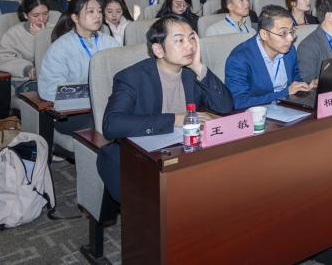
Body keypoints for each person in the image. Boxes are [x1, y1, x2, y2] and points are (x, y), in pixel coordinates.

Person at [98, 15, 234, 203]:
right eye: (179, 40)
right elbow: (112, 125)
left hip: (183, 153)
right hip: (138, 156)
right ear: (158, 49)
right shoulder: (132, 78)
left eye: (192, 38)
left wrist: (199, 67)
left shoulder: (191, 73)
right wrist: (175, 119)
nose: (189, 46)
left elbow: (225, 107)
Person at [40, 0, 119, 144]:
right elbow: (50, 90)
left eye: (99, 11)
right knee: (105, 123)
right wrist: (92, 97)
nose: (97, 16)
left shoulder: (110, 43)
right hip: (73, 114)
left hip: (108, 106)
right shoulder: (60, 48)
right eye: (90, 12)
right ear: (75, 18)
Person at [225, 5, 315, 109]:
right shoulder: (239, 59)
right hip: (259, 113)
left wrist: (307, 85)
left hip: (288, 108)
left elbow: (296, 79)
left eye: (291, 31)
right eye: (283, 33)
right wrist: (284, 93)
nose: (290, 38)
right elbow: (239, 102)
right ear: (264, 34)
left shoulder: (289, 50)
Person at [0, 0, 51, 91]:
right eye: (36, 15)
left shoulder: (53, 29)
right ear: (25, 15)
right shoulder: (14, 33)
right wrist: (26, 68)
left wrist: (43, 36)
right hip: (25, 80)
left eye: (45, 14)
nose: (42, 19)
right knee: (45, 90)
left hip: (52, 77)